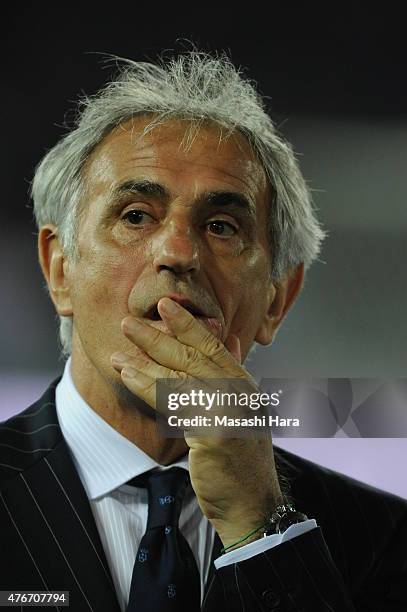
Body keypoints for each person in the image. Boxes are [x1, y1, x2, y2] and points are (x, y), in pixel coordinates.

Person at [0, 51, 406, 612]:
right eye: (136, 215)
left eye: (221, 226)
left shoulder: (385, 537)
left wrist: (259, 526)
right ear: (59, 269)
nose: (177, 253)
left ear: (276, 300)